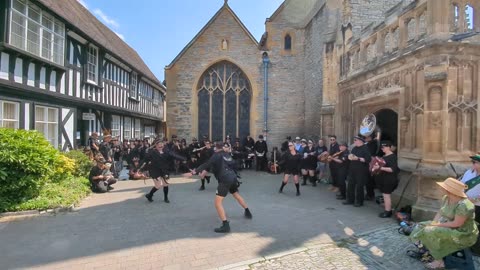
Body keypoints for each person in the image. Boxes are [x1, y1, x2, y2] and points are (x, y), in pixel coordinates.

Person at [409, 177, 478, 269]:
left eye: (444, 187)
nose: (441, 188)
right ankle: (427, 251)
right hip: (449, 225)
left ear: (450, 190)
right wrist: (433, 222)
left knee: (430, 231)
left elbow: (457, 224)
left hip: (463, 233)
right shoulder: (446, 198)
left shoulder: (464, 205)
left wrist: (436, 225)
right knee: (420, 226)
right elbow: (440, 212)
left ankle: (439, 261)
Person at [186, 142, 252, 233]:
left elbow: (207, 164)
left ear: (216, 148)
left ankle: (225, 225)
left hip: (225, 179)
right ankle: (247, 211)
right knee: (236, 194)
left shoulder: (216, 155)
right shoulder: (227, 155)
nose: (214, 149)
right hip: (233, 177)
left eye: (214, 148)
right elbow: (233, 164)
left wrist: (194, 172)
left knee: (217, 203)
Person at [372, 141, 399, 218]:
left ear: (388, 147)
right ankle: (387, 209)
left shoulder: (393, 156)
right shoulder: (384, 156)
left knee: (386, 195)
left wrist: (380, 167)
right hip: (383, 178)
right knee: (385, 195)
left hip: (389, 179)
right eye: (381, 147)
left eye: (383, 147)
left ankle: (388, 212)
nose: (382, 149)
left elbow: (392, 169)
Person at [460, 153, 480, 254]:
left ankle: (477, 250)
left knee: (477, 228)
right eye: (473, 162)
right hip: (466, 204)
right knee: (467, 226)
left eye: (475, 162)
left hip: (478, 206)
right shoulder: (469, 172)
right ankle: (466, 247)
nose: (473, 164)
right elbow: (462, 184)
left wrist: (473, 199)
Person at [343, 135, 371, 207]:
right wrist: (349, 157)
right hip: (352, 169)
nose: (354, 141)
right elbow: (351, 156)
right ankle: (350, 200)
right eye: (354, 140)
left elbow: (368, 159)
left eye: (355, 140)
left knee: (359, 186)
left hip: (361, 170)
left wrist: (358, 158)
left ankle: (359, 201)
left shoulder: (365, 148)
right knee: (350, 185)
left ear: (360, 141)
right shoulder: (354, 148)